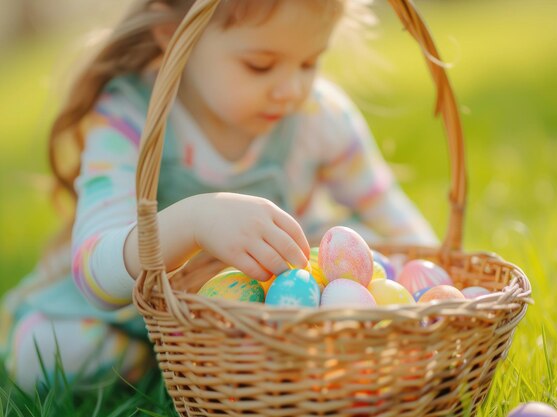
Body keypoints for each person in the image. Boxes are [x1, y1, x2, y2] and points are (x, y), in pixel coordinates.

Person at [0, 0, 438, 394]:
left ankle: (246, 360)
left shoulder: (318, 114)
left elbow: (385, 207)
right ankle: (158, 360)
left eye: (310, 63)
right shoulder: (128, 116)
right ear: (175, 38)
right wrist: (193, 222)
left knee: (364, 245)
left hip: (278, 313)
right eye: (260, 65)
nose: (291, 89)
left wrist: (439, 290)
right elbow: (94, 273)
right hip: (137, 315)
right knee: (43, 352)